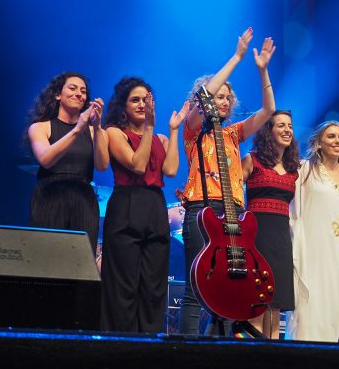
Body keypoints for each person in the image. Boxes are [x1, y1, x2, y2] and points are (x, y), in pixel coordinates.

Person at [179, 28, 276, 335]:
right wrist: (237, 57)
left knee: (232, 287)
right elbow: (205, 95)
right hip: (201, 210)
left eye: (227, 97)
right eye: (219, 96)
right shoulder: (193, 128)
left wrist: (262, 71)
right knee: (197, 287)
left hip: (232, 213)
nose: (223, 100)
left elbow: (269, 111)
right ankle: (187, 351)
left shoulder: (233, 133)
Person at [100, 77, 189, 332]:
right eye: (135, 100)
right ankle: (121, 344)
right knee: (124, 284)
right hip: (127, 203)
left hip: (154, 205)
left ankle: (149, 344)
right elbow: (137, 165)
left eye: (146, 99)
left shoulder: (160, 137)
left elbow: (171, 170)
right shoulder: (114, 132)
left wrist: (173, 131)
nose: (142, 104)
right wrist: (148, 127)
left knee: (153, 285)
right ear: (123, 105)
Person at [287, 121, 339, 342]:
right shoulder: (305, 170)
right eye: (331, 136)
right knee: (314, 306)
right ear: (318, 143)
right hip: (315, 251)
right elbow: (294, 211)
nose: (338, 141)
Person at [27, 72, 108, 254]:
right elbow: (46, 159)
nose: (79, 94)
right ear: (58, 94)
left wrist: (96, 126)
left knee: (80, 260)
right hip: (50, 196)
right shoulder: (41, 127)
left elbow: (102, 165)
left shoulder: (94, 130)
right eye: (72, 88)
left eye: (83, 91)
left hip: (83, 199)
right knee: (46, 257)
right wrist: (78, 128)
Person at [241, 110, 300, 339]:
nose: (287, 130)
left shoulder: (294, 168)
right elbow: (233, 193)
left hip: (282, 240)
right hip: (256, 237)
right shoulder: (252, 160)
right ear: (269, 130)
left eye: (290, 126)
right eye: (281, 126)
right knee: (256, 300)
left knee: (276, 303)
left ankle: (274, 352)